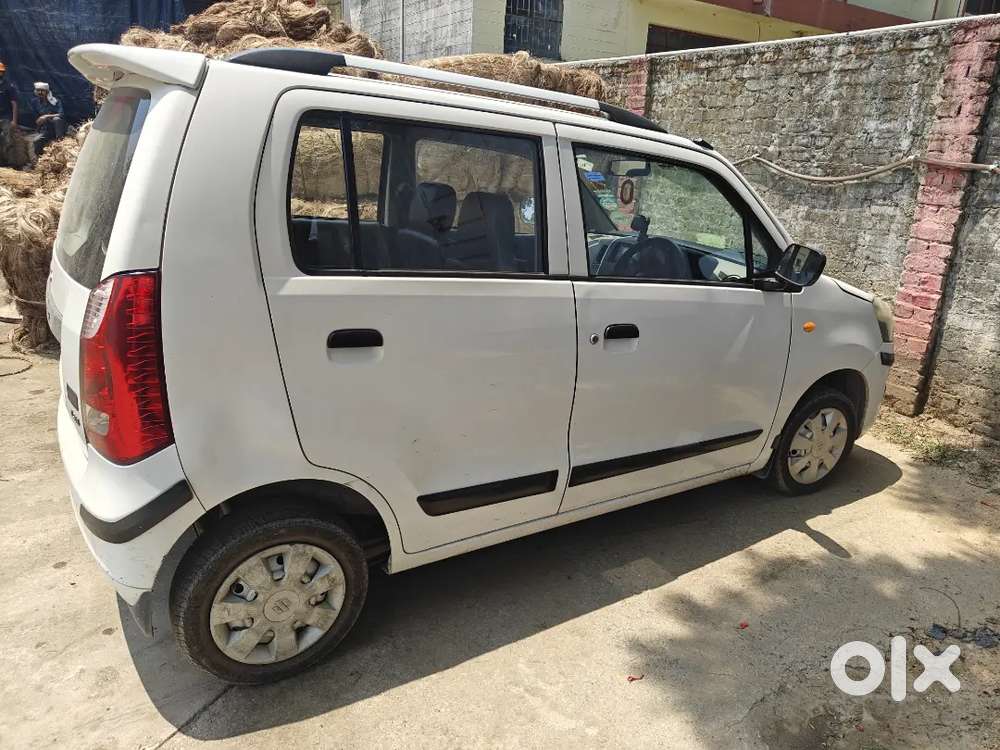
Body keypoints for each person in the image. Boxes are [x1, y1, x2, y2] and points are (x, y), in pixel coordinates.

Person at [30, 81, 66, 156]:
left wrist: (46, 116)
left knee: (57, 119)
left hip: (56, 128)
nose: (40, 92)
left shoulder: (55, 101)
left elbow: (61, 114)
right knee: (36, 141)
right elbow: (36, 118)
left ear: (47, 92)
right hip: (45, 129)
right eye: (38, 90)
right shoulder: (35, 102)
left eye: (42, 90)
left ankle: (60, 141)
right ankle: (39, 159)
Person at [0, 61, 20, 165]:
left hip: (5, 118)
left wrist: (14, 120)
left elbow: (14, 104)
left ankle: (10, 163)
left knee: (7, 141)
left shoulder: (9, 86)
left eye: (1, 72)